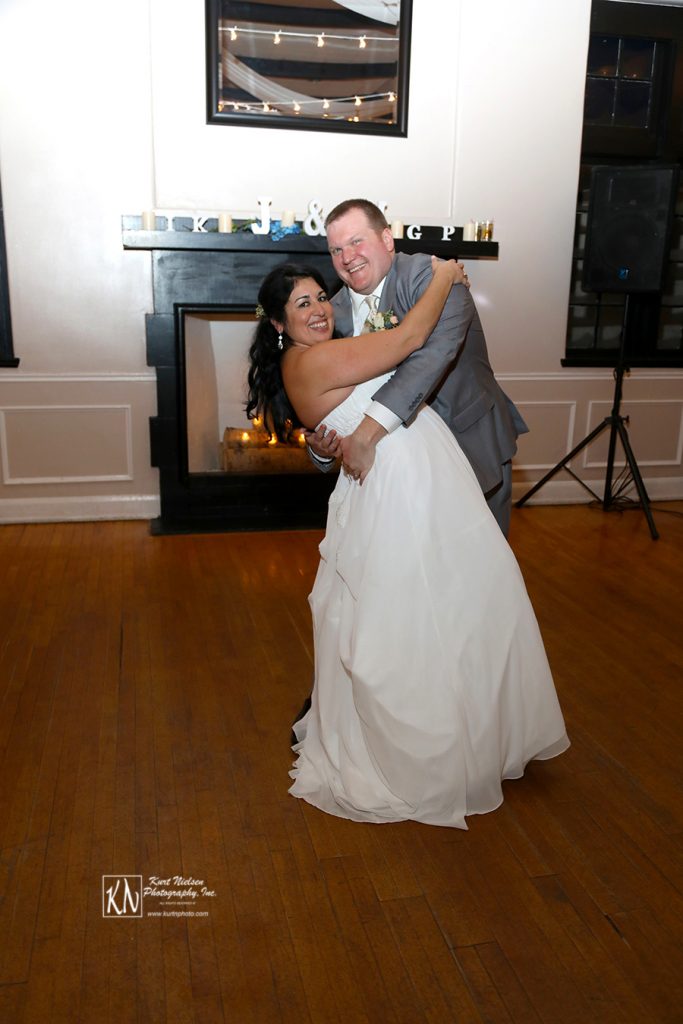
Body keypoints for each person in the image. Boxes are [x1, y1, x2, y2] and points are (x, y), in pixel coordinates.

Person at [246, 260, 569, 829]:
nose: (320, 308)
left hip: (425, 482)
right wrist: (447, 274)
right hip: (396, 494)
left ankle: (477, 735)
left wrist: (329, 445)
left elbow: (356, 415)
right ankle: (426, 756)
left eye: (322, 297)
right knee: (412, 621)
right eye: (302, 304)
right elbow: (411, 339)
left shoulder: (324, 350)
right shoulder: (311, 360)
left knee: (461, 607)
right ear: (278, 323)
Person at [307, 198, 528, 539]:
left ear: (387, 240)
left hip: (468, 446)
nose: (347, 257)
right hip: (390, 475)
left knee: (477, 572)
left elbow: (429, 360)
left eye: (356, 241)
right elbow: (323, 391)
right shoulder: (331, 315)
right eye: (336, 250)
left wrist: (364, 436)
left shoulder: (435, 278)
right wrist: (322, 449)